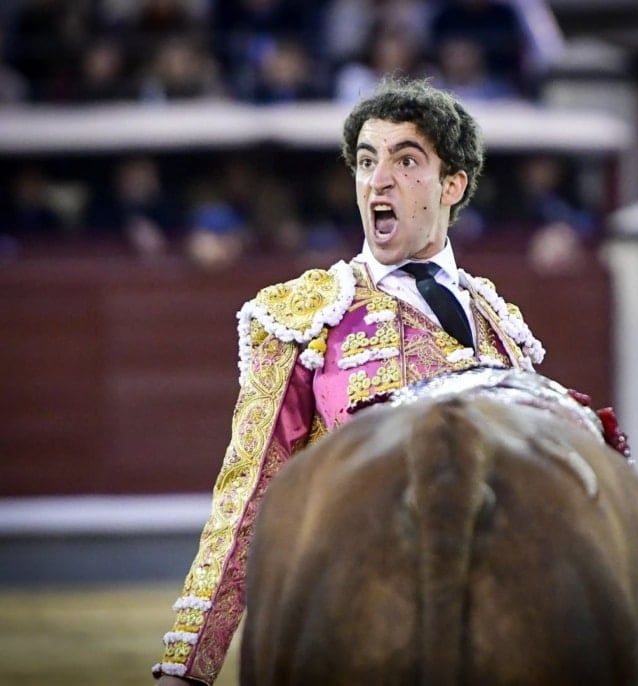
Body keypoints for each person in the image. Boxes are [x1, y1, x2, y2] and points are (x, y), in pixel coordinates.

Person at [152, 76, 547, 685]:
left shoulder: (503, 326)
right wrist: (189, 665)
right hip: (354, 626)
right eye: (366, 161)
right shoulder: (305, 316)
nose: (377, 180)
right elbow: (247, 496)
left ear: (452, 185)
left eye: (405, 161)